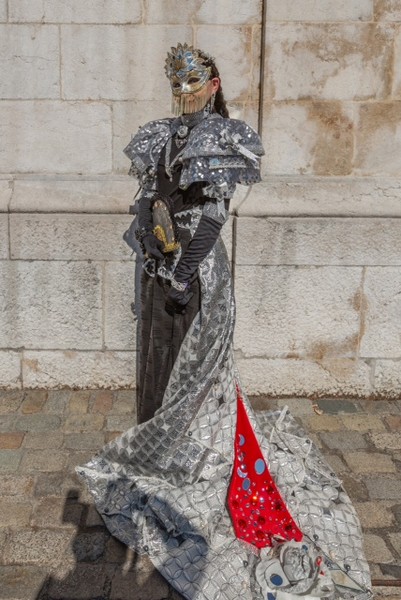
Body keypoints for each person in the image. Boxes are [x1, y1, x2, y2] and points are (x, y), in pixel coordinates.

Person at [77, 44, 372, 600]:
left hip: (197, 277)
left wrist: (185, 270)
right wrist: (149, 238)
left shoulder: (225, 136)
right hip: (157, 269)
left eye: (195, 84)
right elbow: (149, 195)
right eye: (177, 85)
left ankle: (192, 473)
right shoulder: (161, 134)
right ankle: (153, 467)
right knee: (156, 371)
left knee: (196, 378)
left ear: (213, 85)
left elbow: (214, 214)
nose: (185, 95)